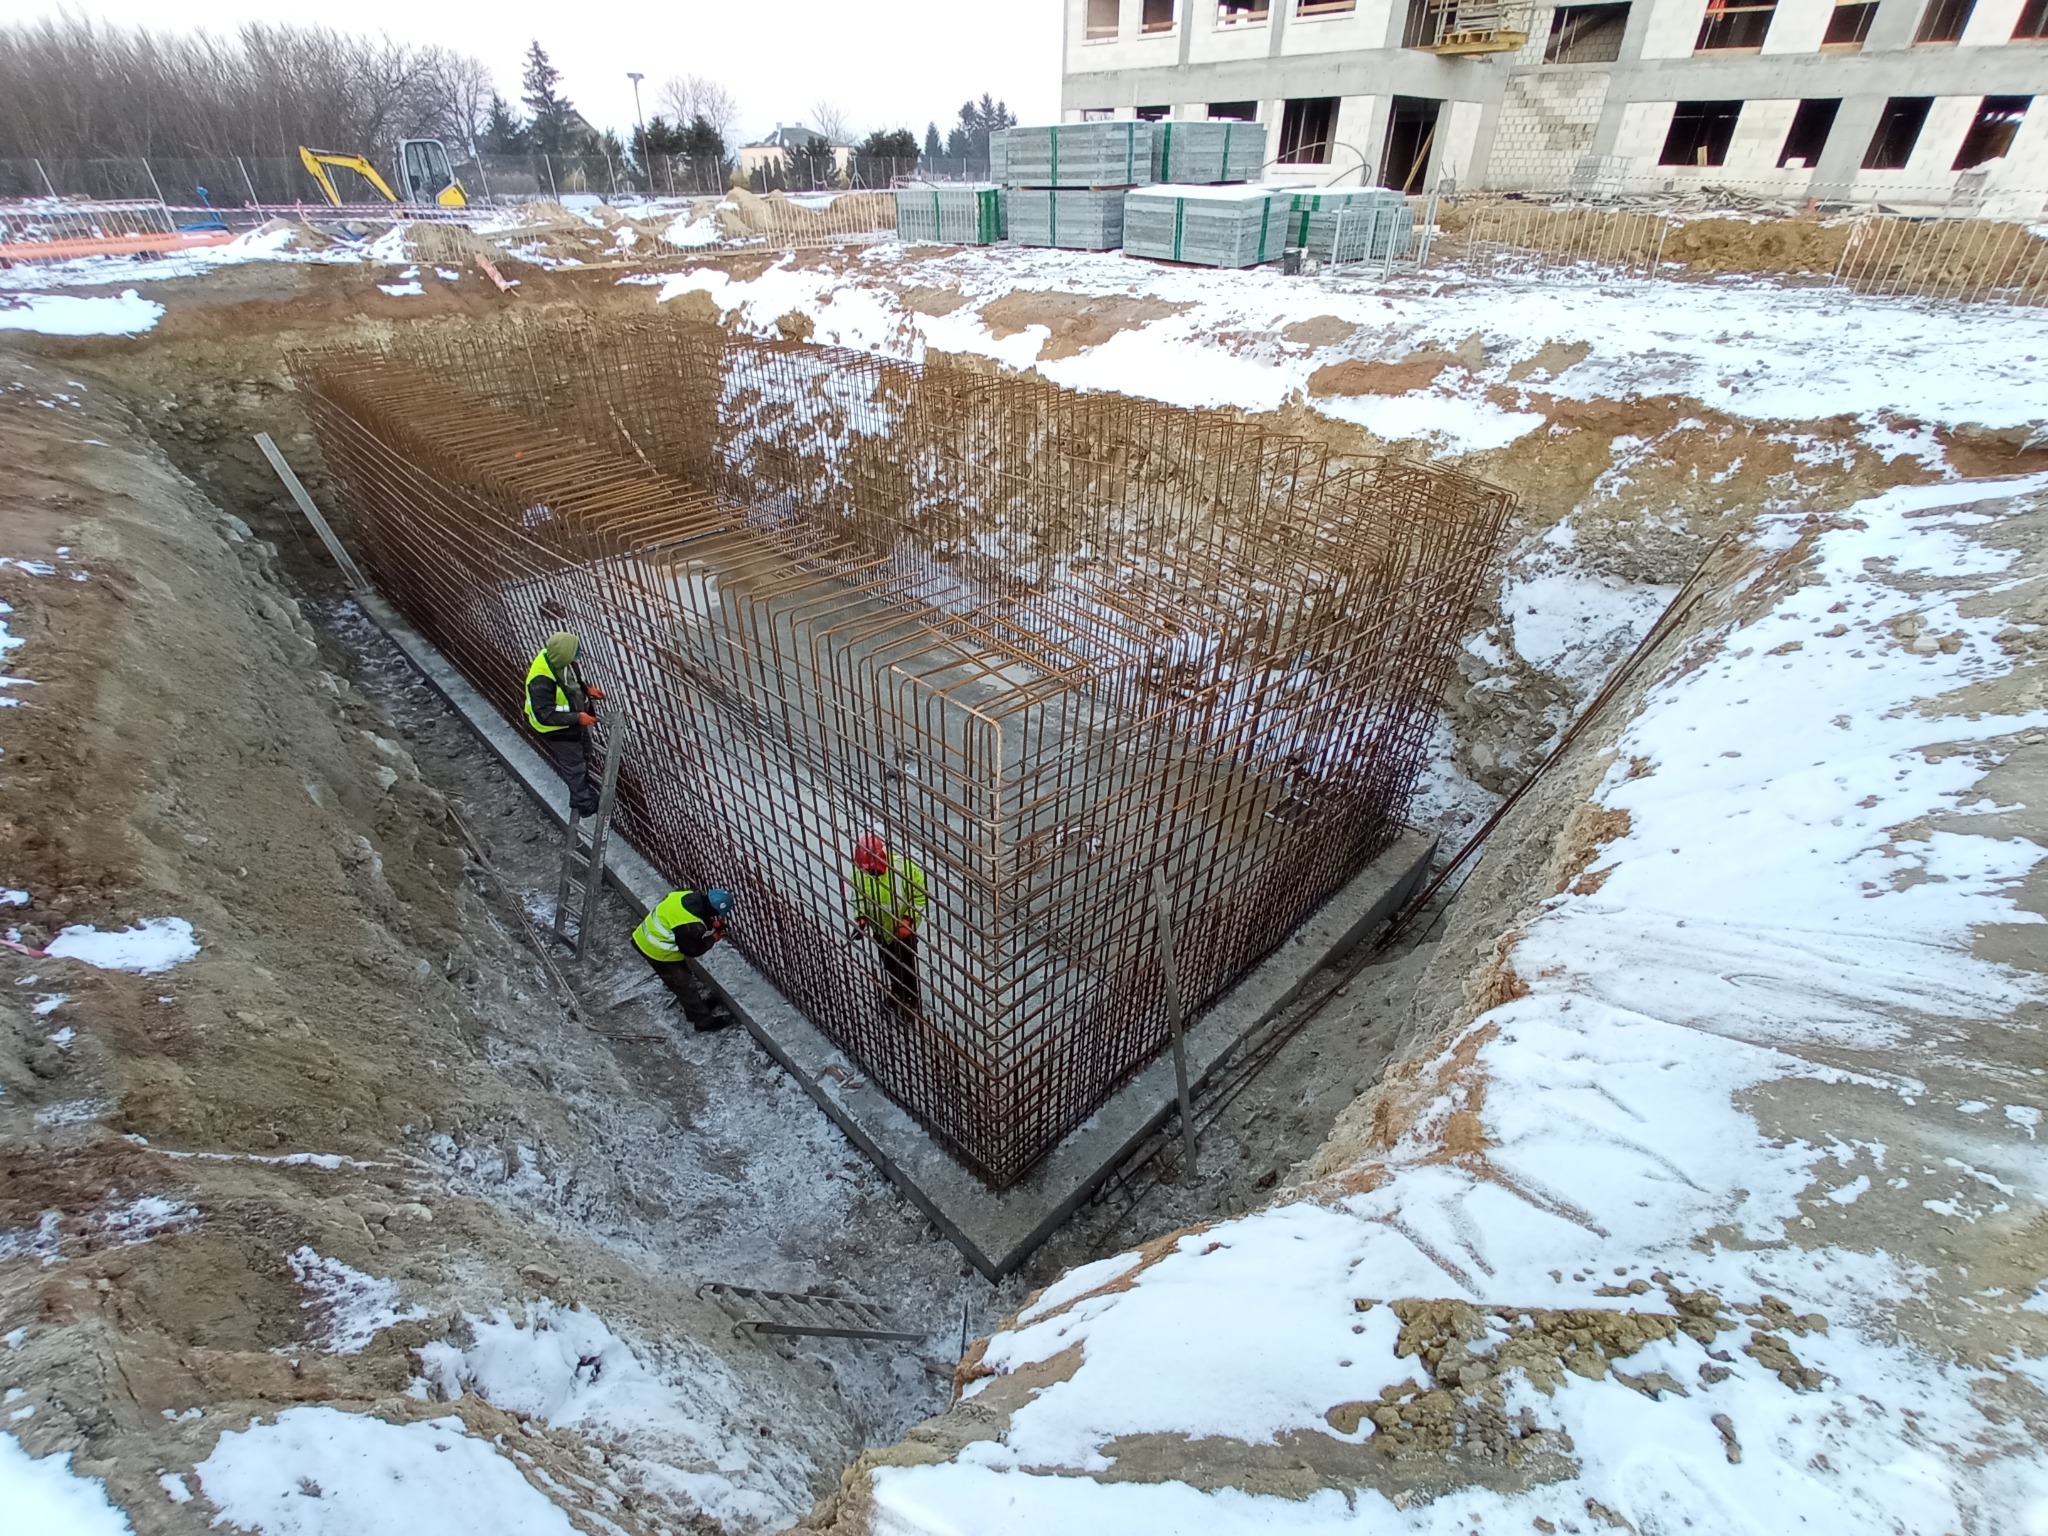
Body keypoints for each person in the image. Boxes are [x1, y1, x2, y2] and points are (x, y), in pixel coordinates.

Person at [524, 630, 605, 816]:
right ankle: (584, 805)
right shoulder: (541, 679)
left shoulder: (559, 658)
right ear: (565, 654)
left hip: (573, 720)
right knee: (574, 767)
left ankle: (583, 791)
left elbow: (571, 680)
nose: (578, 654)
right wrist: (578, 717)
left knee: (584, 753)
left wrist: (586, 690)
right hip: (556, 728)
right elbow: (545, 715)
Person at [632, 886, 735, 1031]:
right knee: (684, 985)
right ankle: (703, 1021)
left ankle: (696, 1008)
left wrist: (709, 923)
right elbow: (692, 950)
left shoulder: (683, 895)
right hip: (657, 951)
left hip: (644, 936)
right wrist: (712, 939)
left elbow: (686, 917)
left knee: (685, 982)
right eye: (716, 914)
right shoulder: (691, 925)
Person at [847, 833, 927, 1017]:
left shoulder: (904, 868)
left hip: (904, 933)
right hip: (881, 931)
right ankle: (897, 992)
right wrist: (861, 920)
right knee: (889, 964)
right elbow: (858, 898)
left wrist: (908, 920)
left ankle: (911, 999)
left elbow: (920, 897)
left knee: (907, 966)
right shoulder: (860, 872)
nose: (869, 873)